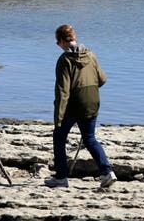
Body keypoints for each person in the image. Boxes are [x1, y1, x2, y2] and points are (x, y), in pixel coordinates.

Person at [45, 24, 117, 189]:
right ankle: (107, 172)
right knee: (90, 138)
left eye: (58, 42)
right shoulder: (90, 54)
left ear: (63, 41)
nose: (58, 46)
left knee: (59, 137)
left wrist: (58, 116)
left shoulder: (65, 60)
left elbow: (63, 91)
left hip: (73, 104)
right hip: (92, 101)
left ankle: (61, 178)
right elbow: (102, 79)